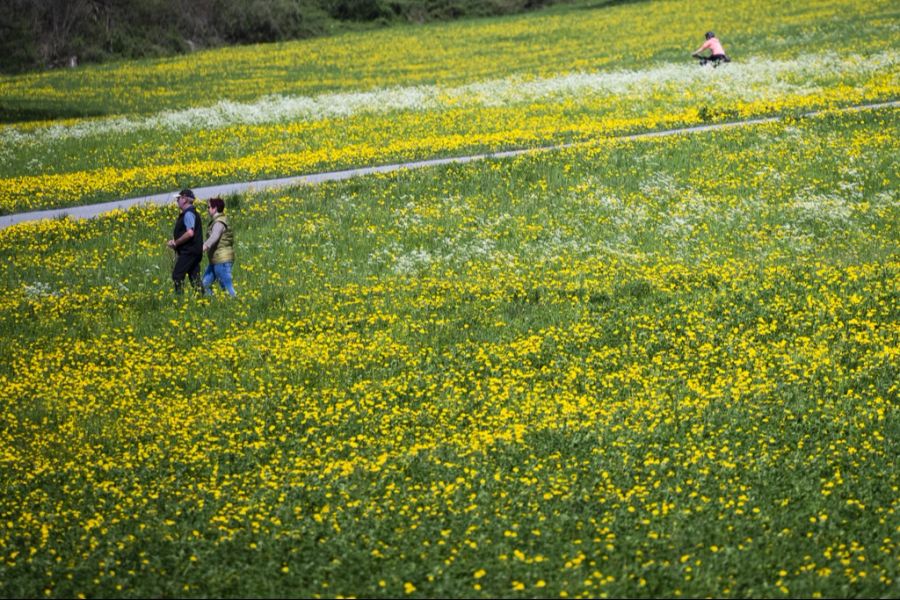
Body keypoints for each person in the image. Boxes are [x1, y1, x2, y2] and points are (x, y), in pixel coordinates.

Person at [167, 189, 203, 294]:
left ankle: (179, 300)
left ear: (184, 199)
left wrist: (176, 243)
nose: (177, 200)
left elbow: (190, 233)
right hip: (194, 251)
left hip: (189, 251)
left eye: (178, 198)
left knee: (177, 275)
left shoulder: (188, 214)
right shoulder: (191, 213)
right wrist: (175, 240)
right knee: (194, 277)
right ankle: (203, 301)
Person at [201, 197, 237, 297]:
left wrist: (204, 247)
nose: (207, 210)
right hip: (215, 260)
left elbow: (214, 237)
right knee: (204, 285)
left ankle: (236, 304)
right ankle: (213, 303)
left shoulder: (219, 222)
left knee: (226, 288)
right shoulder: (218, 221)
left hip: (222, 259)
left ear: (215, 208)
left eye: (208, 207)